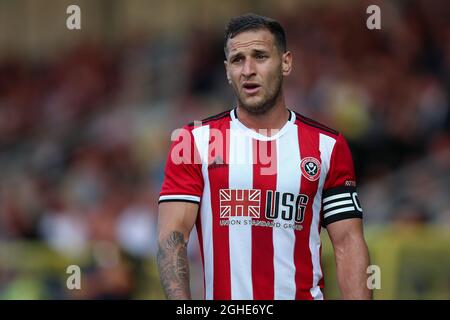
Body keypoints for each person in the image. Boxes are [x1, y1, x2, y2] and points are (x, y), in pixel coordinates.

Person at [157, 13, 371, 300]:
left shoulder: (328, 145)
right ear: (226, 70)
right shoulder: (194, 142)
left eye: (260, 56)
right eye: (237, 60)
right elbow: (173, 237)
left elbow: (348, 242)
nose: (248, 70)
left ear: (286, 62)